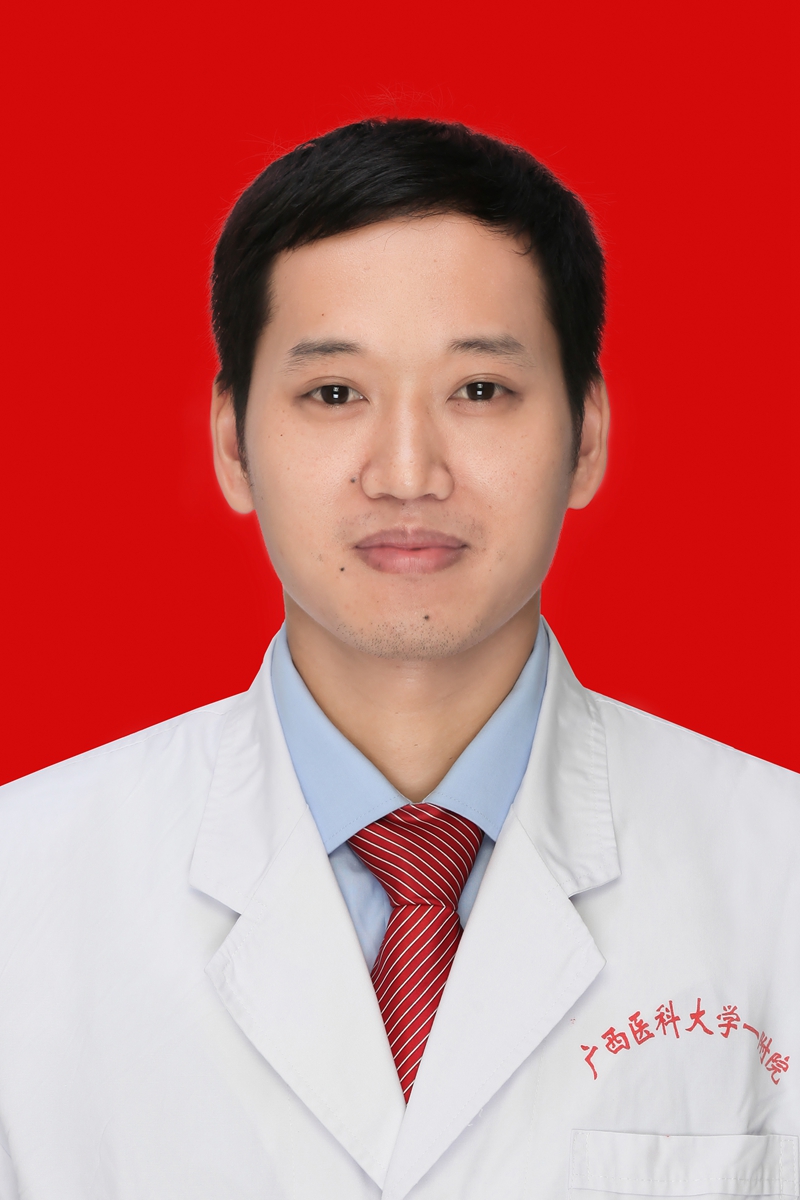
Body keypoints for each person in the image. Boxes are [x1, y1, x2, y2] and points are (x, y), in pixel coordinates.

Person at [0, 118, 797, 1200]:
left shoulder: (776, 877)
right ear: (232, 443)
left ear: (587, 435)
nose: (408, 472)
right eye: (334, 394)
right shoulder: (25, 887)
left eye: (480, 390)